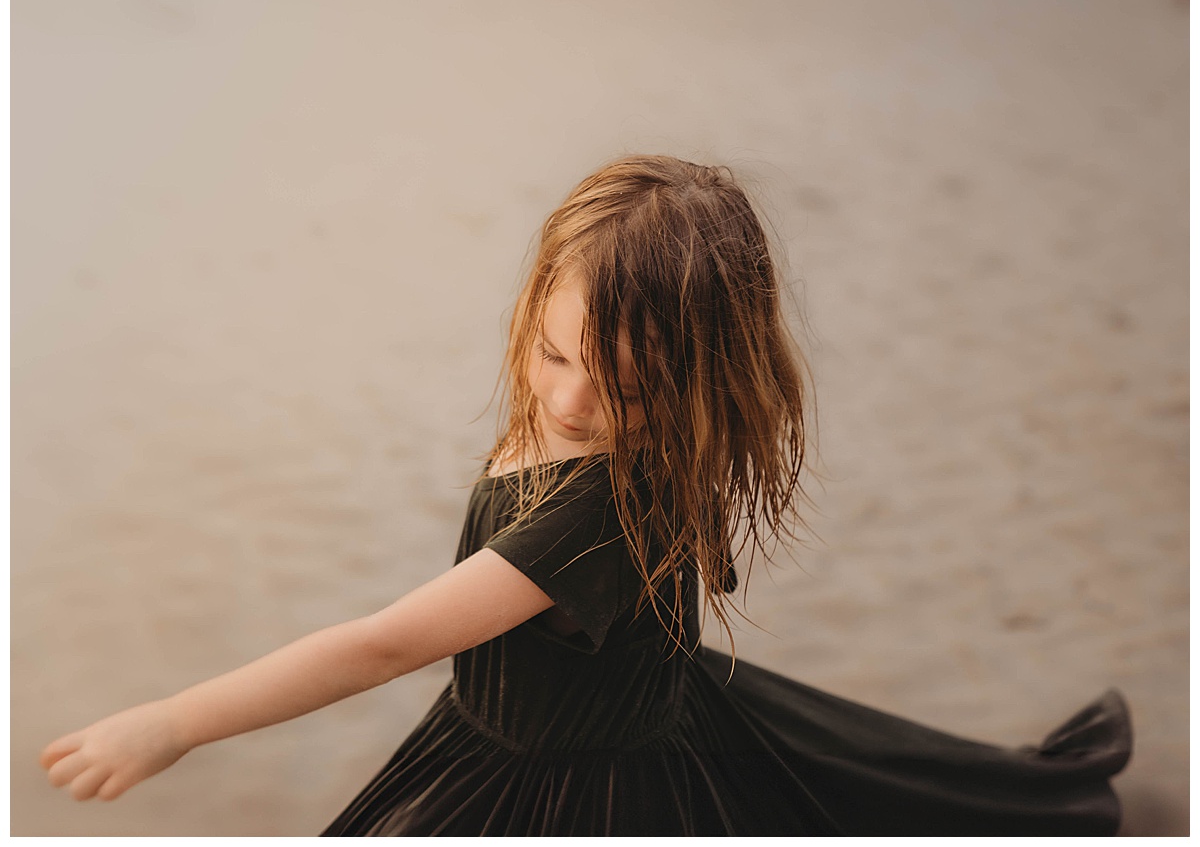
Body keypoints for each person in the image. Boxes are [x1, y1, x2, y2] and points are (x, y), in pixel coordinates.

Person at [40, 156, 1130, 834]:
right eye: (555, 353)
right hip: (524, 724)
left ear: (700, 375)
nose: (567, 401)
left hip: (566, 789)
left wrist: (176, 721)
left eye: (621, 385)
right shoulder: (590, 412)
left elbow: (381, 645)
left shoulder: (599, 515)